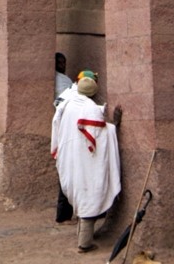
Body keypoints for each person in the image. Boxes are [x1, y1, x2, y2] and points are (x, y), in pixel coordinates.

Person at [51, 69, 122, 254]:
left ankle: (82, 234)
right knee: (89, 194)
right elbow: (100, 133)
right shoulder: (90, 108)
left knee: (78, 193)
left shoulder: (66, 104)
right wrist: (115, 125)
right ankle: (84, 243)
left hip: (68, 156)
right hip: (85, 159)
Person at [54, 52, 75, 223]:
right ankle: (63, 213)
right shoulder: (62, 82)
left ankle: (64, 214)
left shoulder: (64, 80)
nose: (63, 65)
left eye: (64, 62)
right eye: (59, 62)